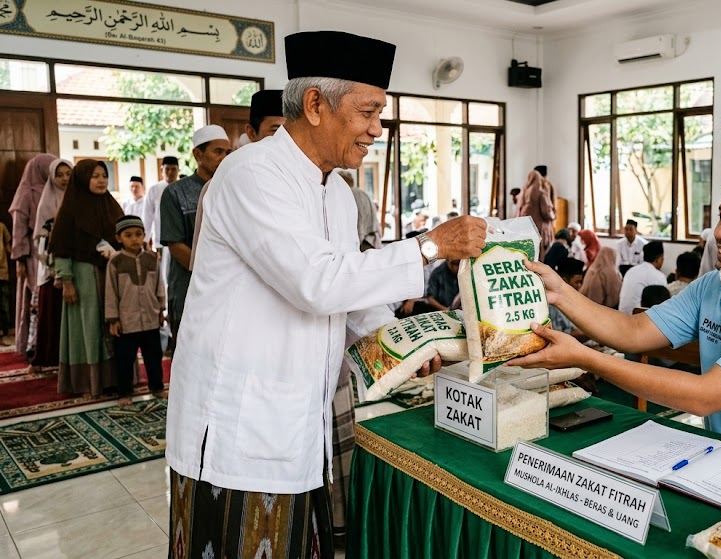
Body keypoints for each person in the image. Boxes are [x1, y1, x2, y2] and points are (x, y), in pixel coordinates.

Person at [165, 30, 487, 558]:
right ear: (315, 105)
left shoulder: (337, 191)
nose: (376, 129)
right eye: (368, 112)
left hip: (298, 424)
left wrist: (400, 342)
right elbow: (317, 282)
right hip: (235, 427)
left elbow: (350, 289)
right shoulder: (252, 174)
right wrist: (429, 247)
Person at [509, 153, 721, 466]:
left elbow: (704, 396)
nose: (720, 232)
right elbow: (633, 332)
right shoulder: (714, 287)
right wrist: (561, 293)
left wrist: (585, 358)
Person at [50, 160, 123, 397]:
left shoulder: (112, 206)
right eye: (95, 176)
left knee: (113, 323)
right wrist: (67, 282)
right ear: (82, 179)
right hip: (83, 278)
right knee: (88, 326)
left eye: (104, 176)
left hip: (110, 274)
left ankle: (115, 379)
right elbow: (61, 248)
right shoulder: (70, 209)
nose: (102, 181)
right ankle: (89, 382)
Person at [191, 90, 285, 269]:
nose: (284, 139)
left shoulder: (297, 181)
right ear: (251, 133)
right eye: (275, 130)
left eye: (289, 131)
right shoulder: (222, 184)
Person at [160, 124, 230, 345]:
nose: (224, 158)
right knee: (189, 347)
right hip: (189, 285)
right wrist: (209, 272)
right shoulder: (175, 192)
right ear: (198, 154)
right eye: (218, 151)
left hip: (226, 286)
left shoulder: (231, 187)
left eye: (228, 152)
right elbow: (175, 244)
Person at [105, 215, 166, 407]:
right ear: (119, 238)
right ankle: (124, 393)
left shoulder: (151, 259)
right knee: (124, 359)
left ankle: (157, 387)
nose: (134, 239)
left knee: (154, 356)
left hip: (150, 319)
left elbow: (159, 286)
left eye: (139, 234)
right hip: (127, 321)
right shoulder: (115, 262)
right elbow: (111, 292)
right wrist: (113, 319)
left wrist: (161, 310)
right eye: (128, 235)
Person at [9, 153, 57, 356]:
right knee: (35, 298)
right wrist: (20, 259)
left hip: (53, 252)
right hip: (33, 255)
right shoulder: (26, 193)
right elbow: (18, 228)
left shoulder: (54, 190)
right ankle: (33, 345)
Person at [33, 158, 73, 368]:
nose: (65, 178)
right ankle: (47, 356)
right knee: (51, 312)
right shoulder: (46, 202)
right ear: (52, 177)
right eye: (59, 175)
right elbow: (40, 240)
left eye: (68, 174)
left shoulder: (78, 198)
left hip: (75, 265)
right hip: (51, 268)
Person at [141, 155, 179, 260]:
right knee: (163, 267)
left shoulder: (183, 188)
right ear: (162, 170)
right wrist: (145, 239)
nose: (170, 172)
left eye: (173, 169)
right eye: (167, 169)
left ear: (178, 171)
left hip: (181, 239)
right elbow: (147, 215)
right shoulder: (154, 189)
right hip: (161, 238)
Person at [618, 241, 668, 314]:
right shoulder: (659, 276)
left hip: (621, 315)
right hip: (639, 316)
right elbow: (662, 304)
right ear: (658, 259)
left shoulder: (631, 271)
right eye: (662, 258)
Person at [518, 165, 556, 260]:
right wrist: (553, 216)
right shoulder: (543, 189)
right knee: (541, 254)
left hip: (528, 228)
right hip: (542, 228)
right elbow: (547, 211)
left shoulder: (525, 191)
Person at [339, 169, 382, 252]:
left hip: (363, 242)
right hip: (371, 240)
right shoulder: (362, 193)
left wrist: (356, 244)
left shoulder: (352, 194)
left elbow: (359, 220)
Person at [549, 258, 587, 341]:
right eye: (577, 282)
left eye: (581, 282)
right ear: (565, 281)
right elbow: (558, 337)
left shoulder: (577, 300)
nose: (580, 286)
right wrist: (589, 333)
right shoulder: (553, 306)